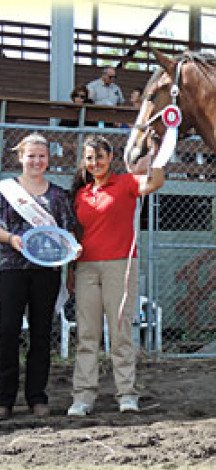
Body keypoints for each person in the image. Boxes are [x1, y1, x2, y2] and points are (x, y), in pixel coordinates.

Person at [67, 134, 164, 416]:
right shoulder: (80, 193)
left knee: (121, 332)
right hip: (86, 268)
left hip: (120, 265)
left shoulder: (125, 183)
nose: (95, 162)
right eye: (89, 158)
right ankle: (83, 397)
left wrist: (157, 155)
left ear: (110, 158)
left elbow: (156, 182)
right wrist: (71, 272)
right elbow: (75, 235)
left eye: (99, 157)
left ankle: (126, 394)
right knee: (87, 335)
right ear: (84, 162)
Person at [0, 133, 75, 419]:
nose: (36, 161)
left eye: (41, 156)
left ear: (48, 159)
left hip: (47, 272)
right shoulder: (5, 190)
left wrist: (72, 251)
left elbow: (67, 233)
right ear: (20, 157)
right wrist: (11, 239)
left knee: (42, 334)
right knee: (7, 331)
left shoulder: (58, 195)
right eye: (30, 155)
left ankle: (37, 396)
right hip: (10, 268)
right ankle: (4, 398)